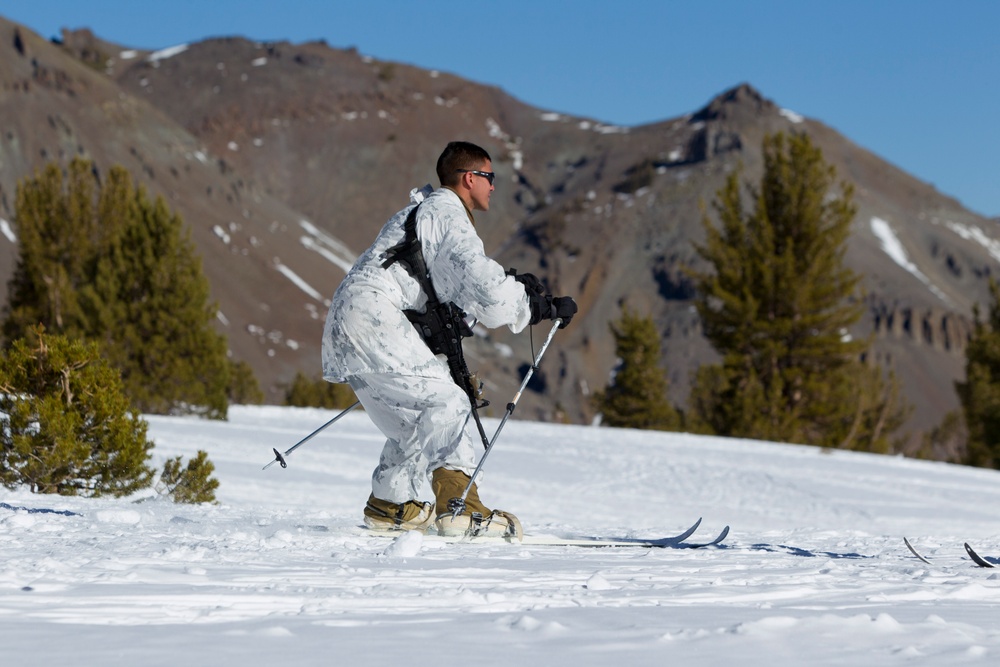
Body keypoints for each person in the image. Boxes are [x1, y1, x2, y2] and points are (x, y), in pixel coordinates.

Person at [322, 141, 577, 537]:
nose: (493, 187)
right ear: (469, 178)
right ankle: (459, 510)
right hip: (374, 315)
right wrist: (532, 305)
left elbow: (437, 286)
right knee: (448, 401)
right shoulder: (446, 214)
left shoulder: (422, 213)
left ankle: (391, 506)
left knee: (419, 420)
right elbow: (485, 289)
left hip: (351, 317)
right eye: (489, 178)